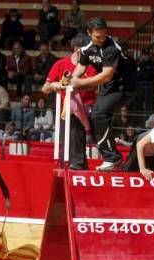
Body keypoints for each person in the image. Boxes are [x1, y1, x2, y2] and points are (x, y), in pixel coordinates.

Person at [69, 16, 126, 171]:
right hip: (109, 87)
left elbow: (106, 75)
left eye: (103, 35)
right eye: (97, 36)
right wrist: (71, 79)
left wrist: (80, 83)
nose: (101, 39)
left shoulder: (111, 48)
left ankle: (112, 158)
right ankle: (113, 158)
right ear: (89, 33)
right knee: (97, 116)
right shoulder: (87, 48)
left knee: (99, 115)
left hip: (125, 85)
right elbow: (81, 67)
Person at [43, 33, 97, 170]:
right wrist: (54, 85)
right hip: (65, 110)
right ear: (77, 49)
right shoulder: (60, 64)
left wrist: (76, 84)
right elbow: (45, 88)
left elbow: (93, 85)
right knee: (65, 138)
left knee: (74, 121)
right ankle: (75, 166)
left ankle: (77, 165)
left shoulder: (91, 65)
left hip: (88, 108)